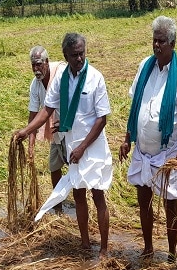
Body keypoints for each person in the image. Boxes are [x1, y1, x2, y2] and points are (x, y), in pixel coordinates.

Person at [14, 33, 112, 258]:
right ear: (65, 56)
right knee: (78, 195)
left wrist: (83, 148)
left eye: (81, 54)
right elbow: (47, 110)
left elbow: (101, 119)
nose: (79, 59)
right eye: (74, 55)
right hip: (72, 145)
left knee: (98, 196)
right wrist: (26, 131)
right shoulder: (61, 80)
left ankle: (105, 249)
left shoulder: (95, 78)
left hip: (93, 147)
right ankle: (85, 244)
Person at [119, 15, 177, 260]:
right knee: (143, 201)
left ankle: (173, 254)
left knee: (170, 205)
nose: (156, 46)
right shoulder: (145, 66)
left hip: (168, 155)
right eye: (154, 40)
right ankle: (148, 248)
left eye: (161, 41)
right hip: (143, 150)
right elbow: (136, 106)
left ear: (173, 44)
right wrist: (127, 138)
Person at [25, 45, 67, 213]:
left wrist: (66, 121)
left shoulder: (62, 73)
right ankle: (58, 208)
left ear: (47, 62)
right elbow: (33, 116)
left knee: (78, 172)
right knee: (54, 168)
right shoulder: (35, 85)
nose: (36, 69)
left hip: (72, 131)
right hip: (56, 134)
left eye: (39, 64)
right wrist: (30, 146)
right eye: (33, 65)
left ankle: (82, 207)